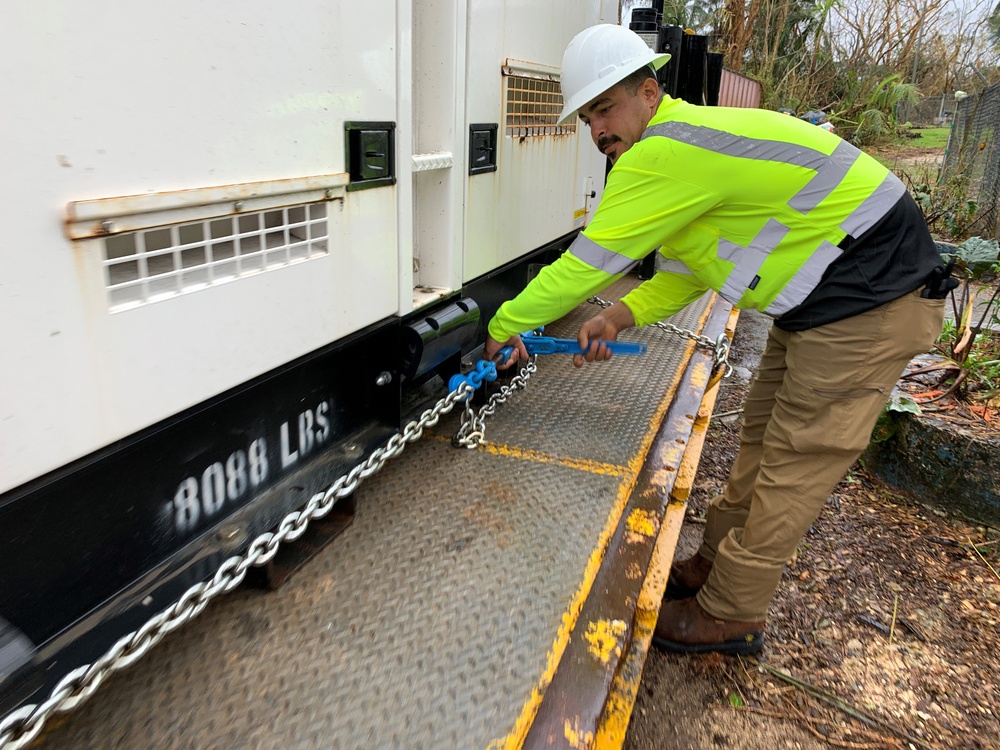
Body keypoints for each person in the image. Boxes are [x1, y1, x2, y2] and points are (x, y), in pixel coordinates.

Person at [483, 24, 951, 655]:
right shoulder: (683, 145)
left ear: (649, 93)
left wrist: (503, 324)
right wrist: (619, 317)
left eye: (606, 108)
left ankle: (732, 614)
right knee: (760, 433)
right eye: (587, 116)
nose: (597, 129)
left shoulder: (661, 154)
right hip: (829, 296)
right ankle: (712, 570)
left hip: (868, 296)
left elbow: (582, 267)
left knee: (793, 462)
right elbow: (685, 271)